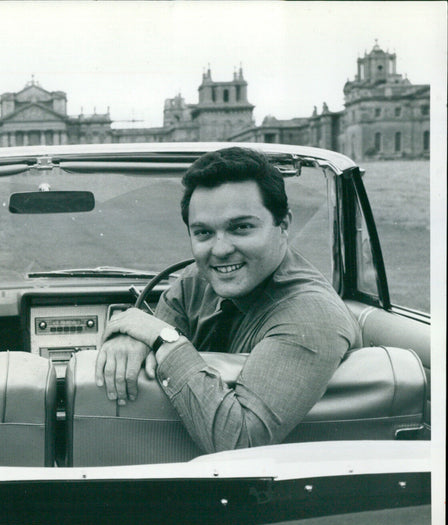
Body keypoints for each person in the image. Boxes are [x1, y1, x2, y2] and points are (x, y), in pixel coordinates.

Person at [95, 146, 361, 453]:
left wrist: (161, 338)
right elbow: (153, 336)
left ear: (284, 225)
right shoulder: (198, 280)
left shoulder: (311, 316)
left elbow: (240, 441)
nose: (220, 250)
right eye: (204, 233)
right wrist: (129, 338)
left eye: (241, 228)